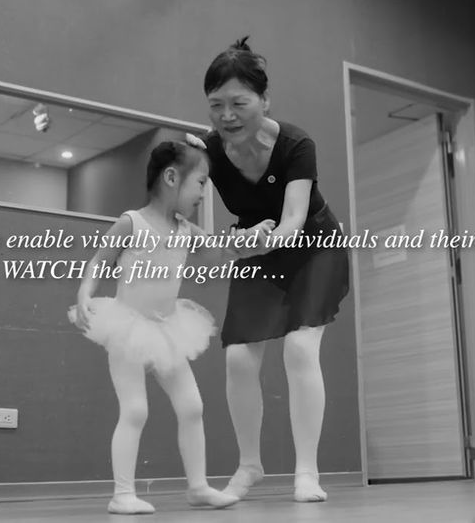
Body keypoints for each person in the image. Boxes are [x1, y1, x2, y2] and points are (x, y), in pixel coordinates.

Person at [69, 137, 273, 514]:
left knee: (192, 406)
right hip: (128, 328)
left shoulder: (185, 231)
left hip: (168, 329)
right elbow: (99, 261)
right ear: (171, 178)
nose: (203, 194)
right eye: (200, 183)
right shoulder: (132, 223)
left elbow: (222, 250)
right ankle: (122, 494)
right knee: (135, 410)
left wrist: (254, 238)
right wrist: (85, 293)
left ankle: (198, 487)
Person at [200, 37, 351, 503]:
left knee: (300, 350)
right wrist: (237, 241)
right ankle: (250, 465)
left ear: (264, 100)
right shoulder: (209, 150)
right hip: (258, 252)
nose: (227, 115)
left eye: (238, 103)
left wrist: (257, 240)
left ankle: (307, 472)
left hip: (313, 246)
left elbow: (293, 220)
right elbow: (206, 226)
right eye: (216, 105)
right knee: (238, 358)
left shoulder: (295, 144)